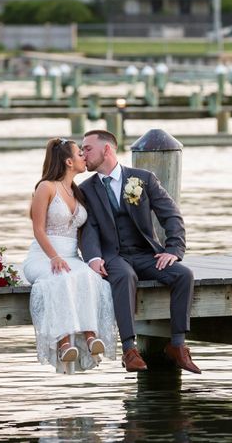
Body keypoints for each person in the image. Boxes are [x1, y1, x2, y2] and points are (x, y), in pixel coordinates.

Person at [79, 129, 201, 374]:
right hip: (114, 256)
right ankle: (129, 349)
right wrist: (92, 257)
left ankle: (177, 345)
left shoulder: (143, 178)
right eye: (81, 150)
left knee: (183, 275)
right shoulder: (86, 189)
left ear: (107, 149)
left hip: (146, 254)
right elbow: (88, 228)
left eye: (87, 148)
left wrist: (173, 250)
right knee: (125, 276)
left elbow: (171, 215)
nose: (82, 154)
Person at [23, 137, 116, 374]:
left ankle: (91, 335)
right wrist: (53, 256)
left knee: (89, 278)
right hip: (43, 257)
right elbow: (38, 229)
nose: (84, 157)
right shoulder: (46, 187)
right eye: (79, 154)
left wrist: (97, 257)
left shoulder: (77, 191)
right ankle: (64, 344)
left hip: (72, 257)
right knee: (61, 278)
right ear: (68, 161)